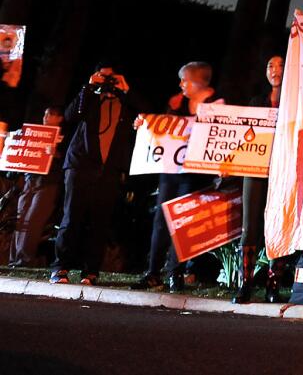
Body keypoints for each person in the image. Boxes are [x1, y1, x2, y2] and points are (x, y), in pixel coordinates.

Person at [133, 61, 222, 291]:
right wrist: (143, 124)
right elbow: (160, 130)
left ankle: (175, 273)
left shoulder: (218, 105)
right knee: (161, 220)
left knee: (183, 222)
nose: (181, 85)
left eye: (184, 80)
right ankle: (152, 272)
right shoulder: (177, 104)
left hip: (195, 174)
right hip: (171, 172)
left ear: (198, 82)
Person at [49, 65, 138, 284]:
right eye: (104, 76)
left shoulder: (125, 104)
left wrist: (126, 89)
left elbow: (145, 111)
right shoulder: (89, 99)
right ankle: (60, 268)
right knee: (71, 218)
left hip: (108, 171)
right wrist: (89, 87)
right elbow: (71, 115)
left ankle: (91, 271)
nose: (108, 81)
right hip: (79, 166)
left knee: (100, 222)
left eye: (112, 78)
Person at [233, 54, 284, 304]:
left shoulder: (294, 102)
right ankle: (246, 283)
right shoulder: (256, 102)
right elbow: (240, 136)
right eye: (270, 66)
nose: (275, 70)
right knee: (249, 227)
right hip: (253, 171)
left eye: (280, 65)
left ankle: (272, 285)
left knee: (276, 225)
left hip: (282, 172)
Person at [8, 107, 65, 267]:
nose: (46, 116)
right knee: (20, 219)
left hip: (47, 184)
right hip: (29, 181)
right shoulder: (33, 134)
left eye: (52, 114)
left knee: (33, 220)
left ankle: (24, 260)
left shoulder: (63, 139)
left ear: (60, 118)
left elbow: (68, 162)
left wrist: (56, 154)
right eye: (46, 113)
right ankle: (14, 260)